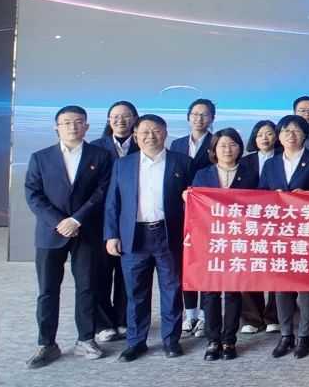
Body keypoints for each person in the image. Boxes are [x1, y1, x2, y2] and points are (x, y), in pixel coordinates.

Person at [25, 105, 114, 369]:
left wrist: (76, 219)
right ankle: (46, 344)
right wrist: (59, 222)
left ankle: (85, 339)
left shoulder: (100, 155)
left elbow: (103, 191)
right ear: (57, 128)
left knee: (87, 286)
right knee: (47, 290)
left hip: (86, 230)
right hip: (50, 232)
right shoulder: (40, 157)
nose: (72, 127)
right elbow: (33, 195)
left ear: (87, 126)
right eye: (66, 123)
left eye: (78, 122)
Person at [104, 114, 194, 361]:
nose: (150, 136)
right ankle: (136, 342)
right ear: (136, 136)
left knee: (172, 290)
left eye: (156, 131)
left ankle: (171, 340)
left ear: (165, 134)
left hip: (169, 234)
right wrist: (111, 235)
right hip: (134, 236)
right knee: (136, 292)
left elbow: (195, 200)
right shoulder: (123, 164)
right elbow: (113, 202)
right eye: (144, 132)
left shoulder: (182, 162)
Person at [186, 128, 258, 361]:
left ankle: (229, 340)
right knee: (210, 292)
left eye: (233, 145)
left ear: (240, 148)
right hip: (209, 241)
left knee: (233, 292)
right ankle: (213, 340)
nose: (228, 150)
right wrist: (188, 198)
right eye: (222, 145)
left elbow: (259, 206)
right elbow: (194, 210)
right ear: (214, 150)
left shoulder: (250, 174)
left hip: (238, 241)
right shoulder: (202, 175)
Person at [262, 116, 309, 359]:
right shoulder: (271, 164)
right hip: (279, 232)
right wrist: (273, 196)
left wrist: (307, 195)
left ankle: (304, 335)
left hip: (307, 231)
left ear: (304, 135)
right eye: (286, 131)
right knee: (281, 285)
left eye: (296, 130)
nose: (291, 135)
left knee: (306, 285)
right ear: (279, 136)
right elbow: (259, 194)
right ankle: (286, 334)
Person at [91, 101, 137, 343]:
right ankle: (103, 323)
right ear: (109, 120)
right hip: (100, 220)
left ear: (134, 119)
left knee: (126, 273)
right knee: (100, 273)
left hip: (133, 220)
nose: (120, 120)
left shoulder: (143, 145)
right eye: (115, 116)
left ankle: (122, 320)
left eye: (126, 115)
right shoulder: (96, 148)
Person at [169, 98, 215, 336]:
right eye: (195, 114)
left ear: (212, 119)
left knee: (204, 264)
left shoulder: (216, 143)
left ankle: (206, 316)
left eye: (205, 114)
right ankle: (190, 314)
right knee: (185, 264)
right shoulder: (176, 144)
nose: (199, 118)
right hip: (180, 212)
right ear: (188, 117)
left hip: (206, 214)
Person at [238, 120, 280, 334]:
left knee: (277, 268)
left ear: (277, 136)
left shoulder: (282, 158)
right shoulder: (244, 161)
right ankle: (252, 317)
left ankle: (274, 315)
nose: (265, 138)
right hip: (250, 222)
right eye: (260, 134)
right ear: (254, 138)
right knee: (249, 267)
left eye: (269, 133)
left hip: (279, 221)